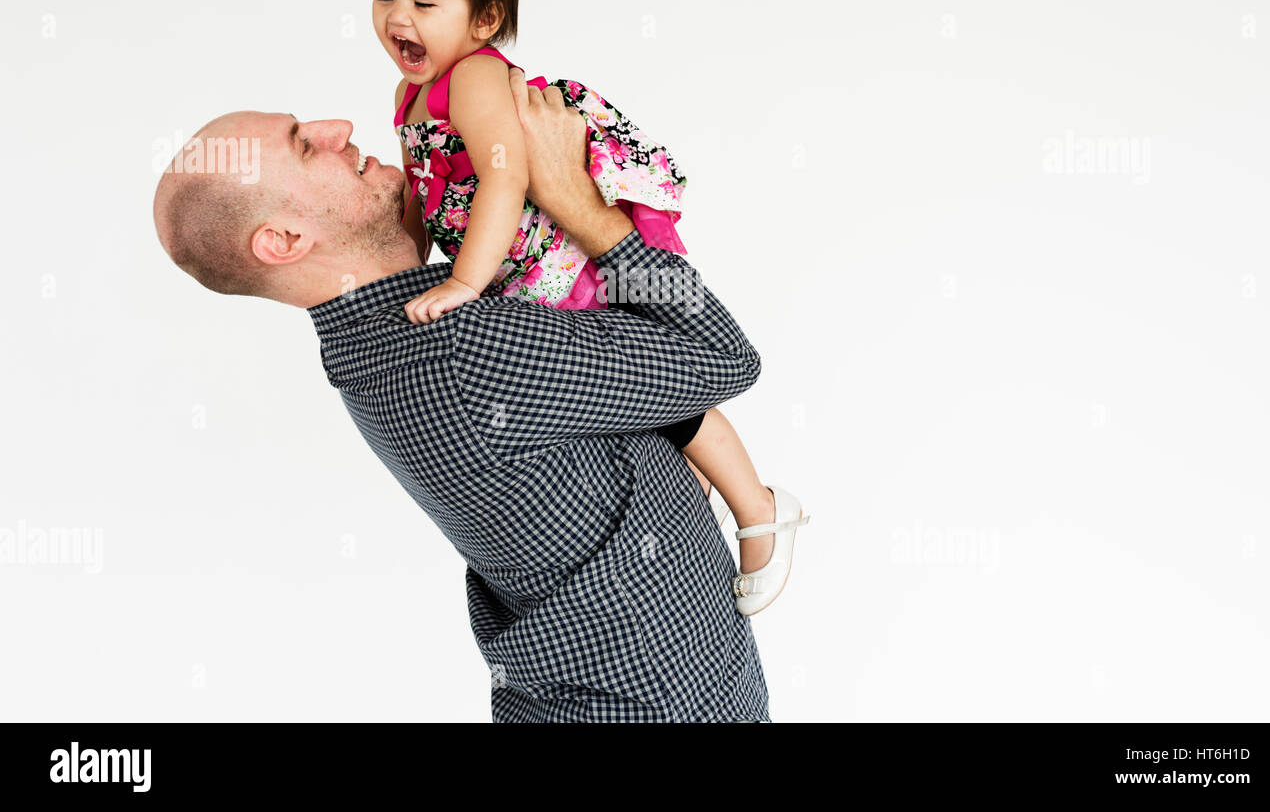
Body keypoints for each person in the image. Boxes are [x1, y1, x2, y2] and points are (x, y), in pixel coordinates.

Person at [151, 70, 803, 720]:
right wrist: (577, 199)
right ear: (285, 241)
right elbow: (723, 357)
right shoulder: (461, 349)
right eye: (302, 144)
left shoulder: (368, 345)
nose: (338, 130)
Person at [370, 0, 808, 607]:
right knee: (618, 405)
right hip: (516, 279)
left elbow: (508, 171)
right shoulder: (408, 92)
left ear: (484, 21)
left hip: (560, 263)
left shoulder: (475, 77)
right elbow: (425, 196)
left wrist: (464, 279)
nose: (398, 16)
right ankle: (692, 492)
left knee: (667, 392)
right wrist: (407, 268)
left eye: (424, 0)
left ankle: (760, 506)